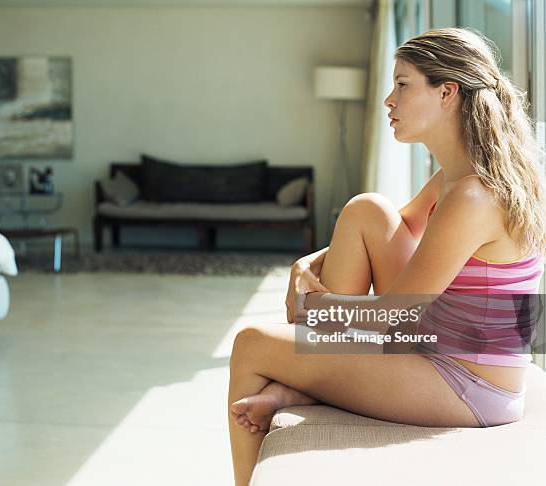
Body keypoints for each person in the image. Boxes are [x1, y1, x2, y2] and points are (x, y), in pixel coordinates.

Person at [227, 27, 546, 486]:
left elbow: (395, 314)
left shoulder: (474, 196)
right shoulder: (456, 177)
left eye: (402, 84)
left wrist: (312, 309)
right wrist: (309, 264)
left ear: (447, 93)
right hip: (437, 343)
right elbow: (389, 226)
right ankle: (307, 376)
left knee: (253, 343)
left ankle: (263, 444)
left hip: (468, 386)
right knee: (366, 210)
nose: (388, 101)